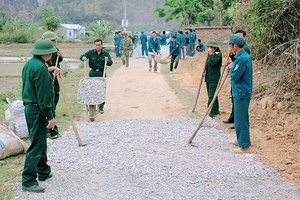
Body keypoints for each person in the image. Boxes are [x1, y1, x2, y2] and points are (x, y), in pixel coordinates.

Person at [21, 38, 57, 193]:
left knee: (40, 140)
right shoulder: (41, 69)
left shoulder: (29, 64)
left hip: (30, 108)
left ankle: (43, 170)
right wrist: (50, 116)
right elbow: (43, 97)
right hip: (38, 110)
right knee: (37, 144)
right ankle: (28, 180)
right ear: (47, 53)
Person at [224, 34, 253, 154]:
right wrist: (232, 66)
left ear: (235, 46)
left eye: (230, 46)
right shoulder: (243, 56)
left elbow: (235, 76)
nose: (229, 48)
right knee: (239, 117)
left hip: (241, 92)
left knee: (241, 119)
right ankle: (239, 139)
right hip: (241, 91)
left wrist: (231, 69)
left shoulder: (241, 59)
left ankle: (244, 146)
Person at [223, 29, 251, 129]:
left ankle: (243, 140)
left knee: (240, 109)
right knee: (235, 102)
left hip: (241, 87)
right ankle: (234, 118)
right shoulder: (239, 53)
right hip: (239, 87)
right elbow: (235, 62)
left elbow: (237, 69)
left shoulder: (244, 53)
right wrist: (231, 56)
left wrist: (231, 68)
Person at [80, 38, 113, 114]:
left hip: (101, 73)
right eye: (96, 45)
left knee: (101, 90)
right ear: (95, 45)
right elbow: (82, 56)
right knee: (91, 89)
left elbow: (110, 63)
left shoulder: (105, 53)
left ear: (102, 45)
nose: (98, 47)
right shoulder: (91, 52)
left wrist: (107, 60)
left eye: (99, 45)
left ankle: (101, 107)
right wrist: (83, 58)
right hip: (93, 72)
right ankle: (90, 104)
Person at [41, 31, 63, 139]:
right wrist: (52, 69)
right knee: (49, 104)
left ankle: (51, 127)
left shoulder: (55, 50)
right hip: (48, 80)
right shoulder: (42, 53)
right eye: (53, 40)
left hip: (56, 79)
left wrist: (60, 55)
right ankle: (52, 131)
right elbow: (43, 68)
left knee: (55, 100)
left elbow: (60, 61)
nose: (55, 42)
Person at [203, 39, 222, 118]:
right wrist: (205, 70)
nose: (208, 49)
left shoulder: (218, 55)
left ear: (214, 48)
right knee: (212, 94)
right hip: (208, 77)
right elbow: (208, 64)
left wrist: (211, 55)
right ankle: (216, 109)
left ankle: (210, 112)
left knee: (211, 95)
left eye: (209, 47)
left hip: (214, 78)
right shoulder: (210, 55)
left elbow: (213, 63)